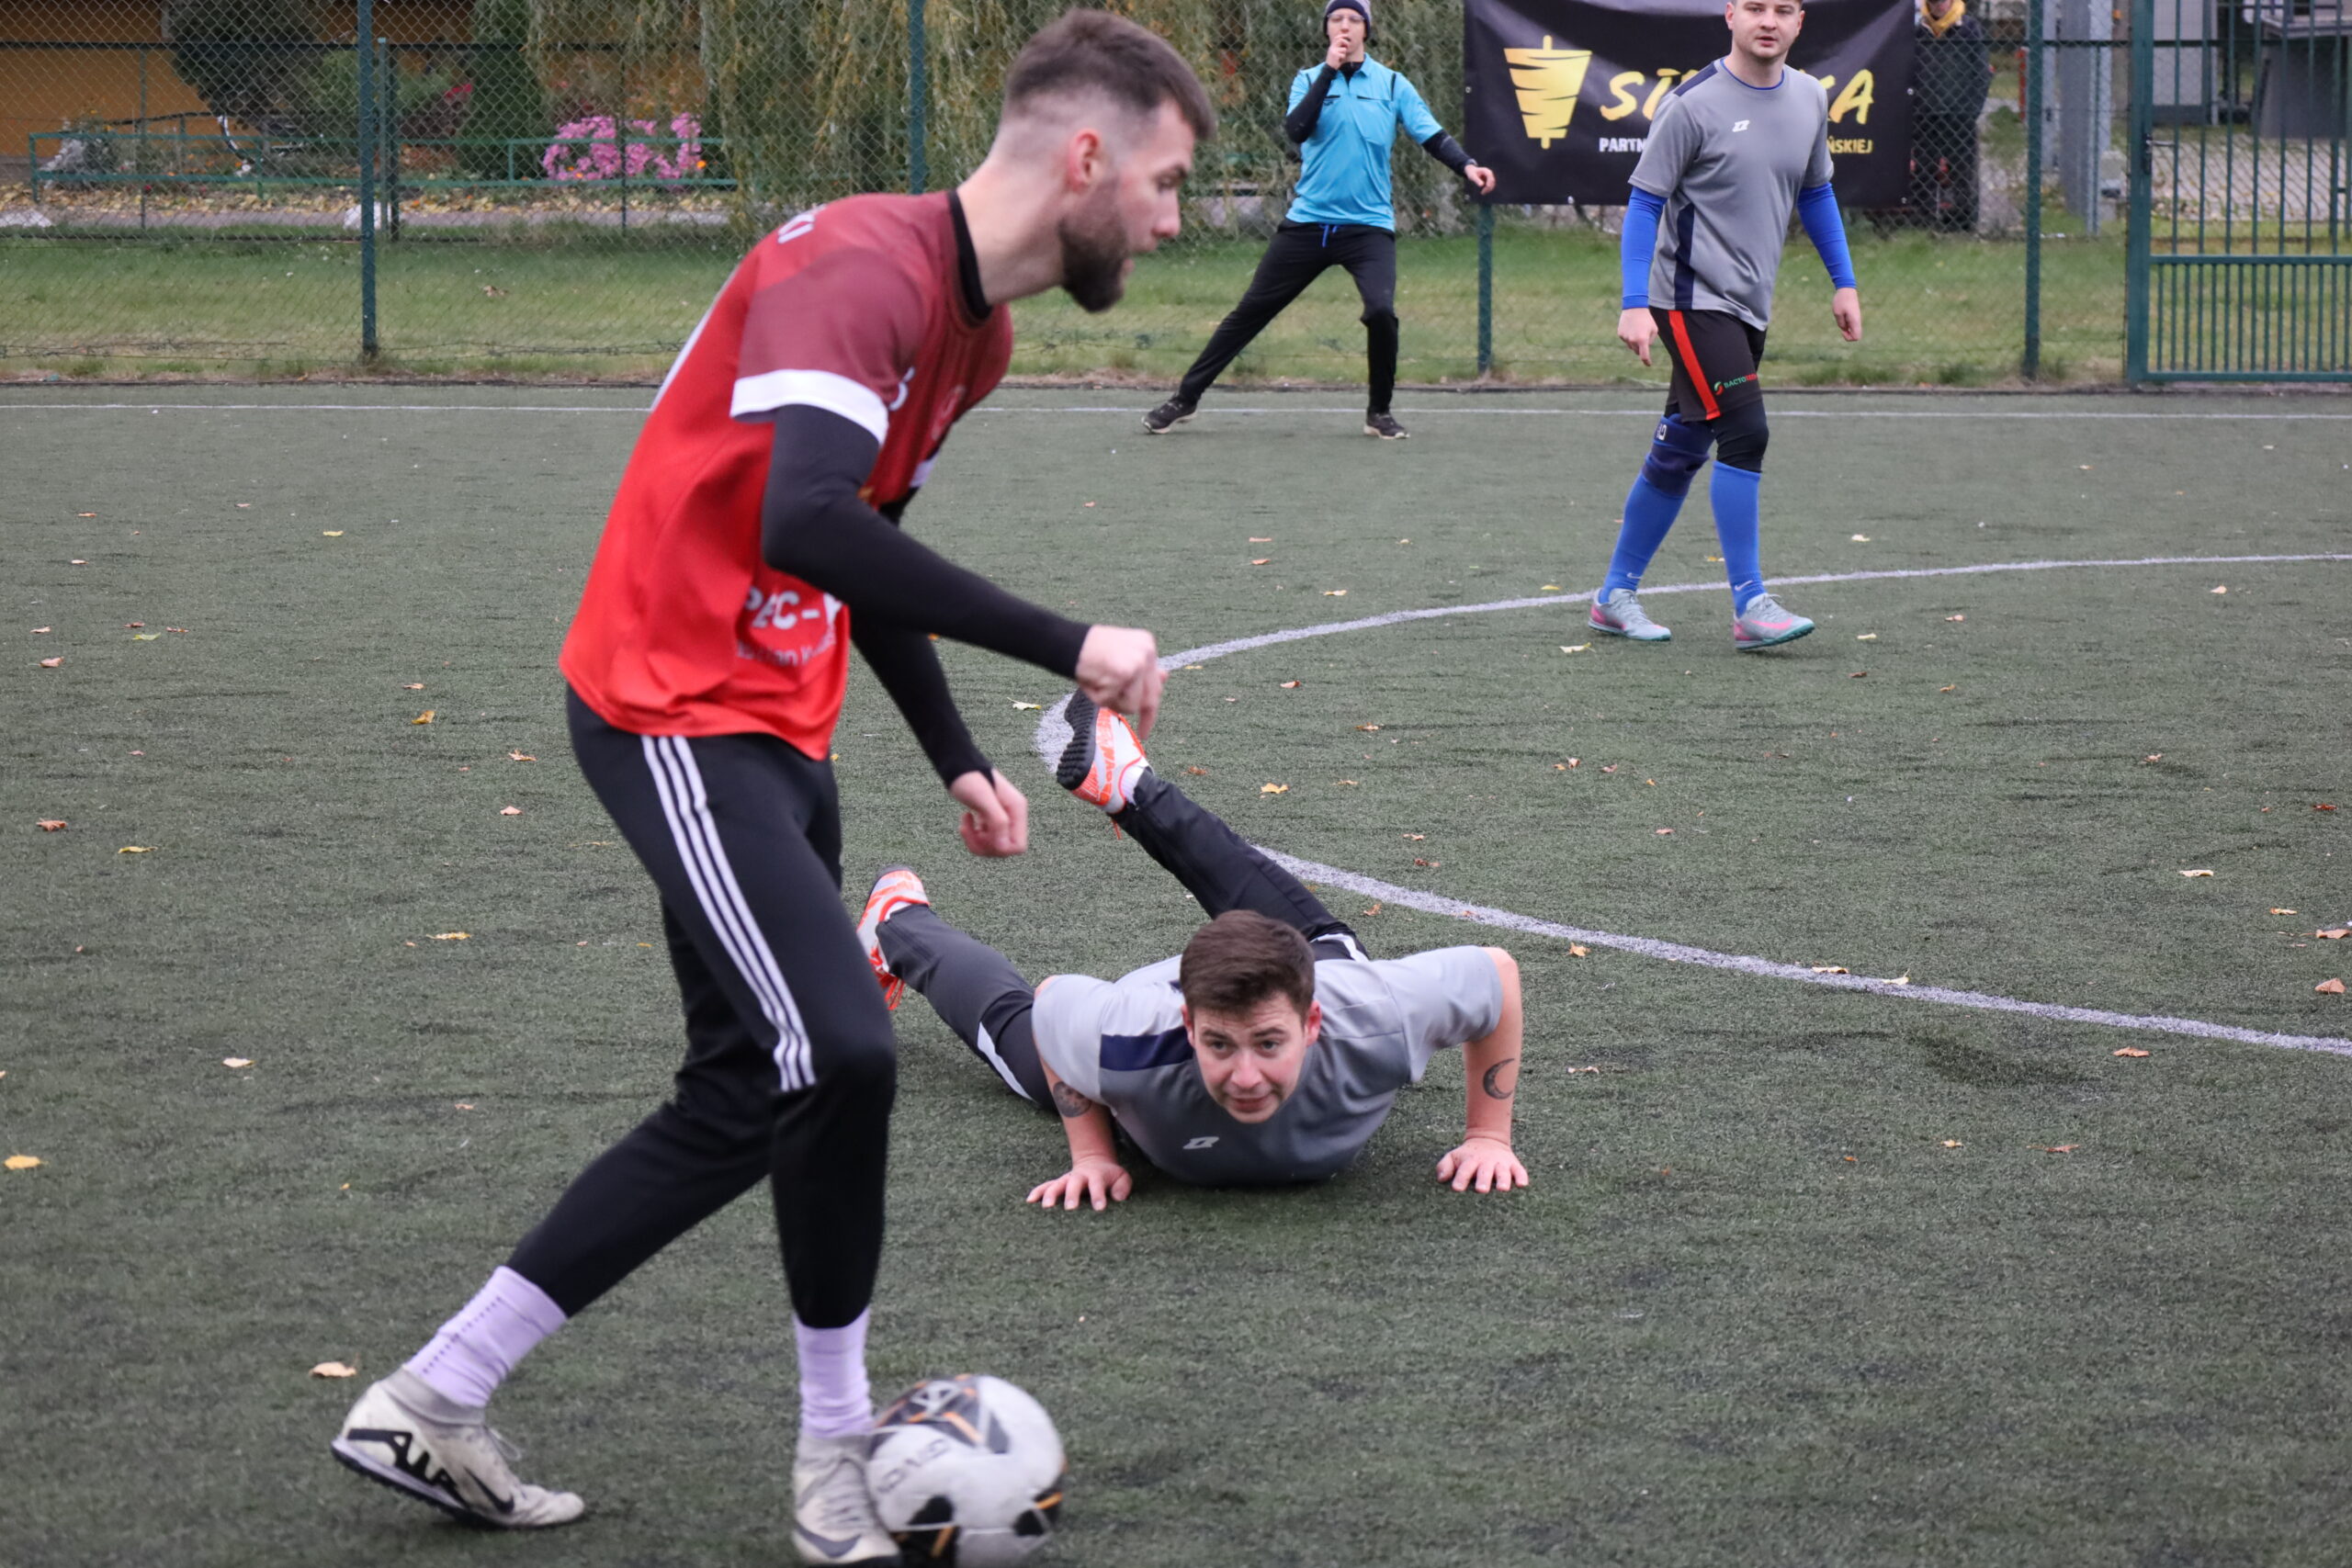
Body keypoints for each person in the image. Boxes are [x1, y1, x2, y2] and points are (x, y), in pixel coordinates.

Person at [326, 14, 1213, 1563]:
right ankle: (834, 1452)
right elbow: (804, 515)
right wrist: (1070, 641)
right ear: (1087, 156)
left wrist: (952, 751)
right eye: (1168, 179)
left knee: (751, 1086)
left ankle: (435, 1395)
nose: (1172, 219)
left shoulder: (976, 334)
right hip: (670, 709)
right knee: (842, 1047)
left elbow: (862, 542)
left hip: (774, 728)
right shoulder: (859, 268)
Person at [856, 694, 1528, 1205]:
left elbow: (1496, 976)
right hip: (1142, 1025)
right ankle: (897, 924)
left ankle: (1129, 786)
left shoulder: (1376, 1013)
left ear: (1312, 1022)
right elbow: (1055, 1001)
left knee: (1329, 948)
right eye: (1221, 1045)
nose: (1245, 1076)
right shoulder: (1124, 1042)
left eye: (1269, 1043)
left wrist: (1488, 1137)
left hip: (1315, 977)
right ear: (1188, 1026)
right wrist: (1093, 1154)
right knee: (1032, 1056)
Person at [1586, 0, 1862, 652]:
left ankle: (1613, 597)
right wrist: (1634, 302)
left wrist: (1844, 281)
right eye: (1755, 7)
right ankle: (1750, 604)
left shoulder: (1809, 97)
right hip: (1688, 299)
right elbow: (1645, 203)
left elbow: (1816, 191)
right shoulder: (1691, 105)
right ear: (1730, 15)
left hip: (1747, 305)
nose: (1769, 20)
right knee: (1745, 431)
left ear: (1800, 22)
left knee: (1682, 446)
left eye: (1783, 9)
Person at [1141, 0, 1497, 441]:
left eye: (1354, 19)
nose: (1345, 26)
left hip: (1367, 227)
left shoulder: (1392, 84)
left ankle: (1379, 413)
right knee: (1250, 312)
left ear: (1366, 29)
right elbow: (1296, 130)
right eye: (1336, 19)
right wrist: (1329, 70)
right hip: (1308, 224)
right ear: (1327, 29)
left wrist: (1467, 166)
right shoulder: (1308, 80)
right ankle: (1185, 399)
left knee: (1381, 312)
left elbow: (1433, 135)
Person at [1909, 0, 1992, 231]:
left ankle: (1963, 221)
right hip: (1926, 114)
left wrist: (1971, 111)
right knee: (1924, 169)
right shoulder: (1918, 31)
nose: (1939, 6)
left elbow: (1981, 73)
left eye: (1943, 1)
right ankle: (1925, 220)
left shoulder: (1969, 29)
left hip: (1960, 114)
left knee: (1963, 170)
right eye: (1934, 2)